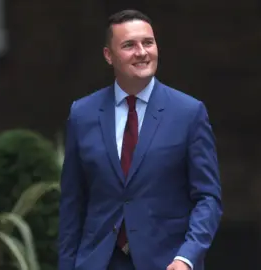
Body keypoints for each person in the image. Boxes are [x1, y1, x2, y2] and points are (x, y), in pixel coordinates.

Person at [58, 9, 222, 270]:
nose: (142, 52)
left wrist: (187, 256)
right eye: (129, 45)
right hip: (99, 262)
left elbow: (208, 198)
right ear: (108, 56)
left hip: (167, 262)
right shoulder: (83, 114)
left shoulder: (189, 113)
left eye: (148, 42)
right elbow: (72, 202)